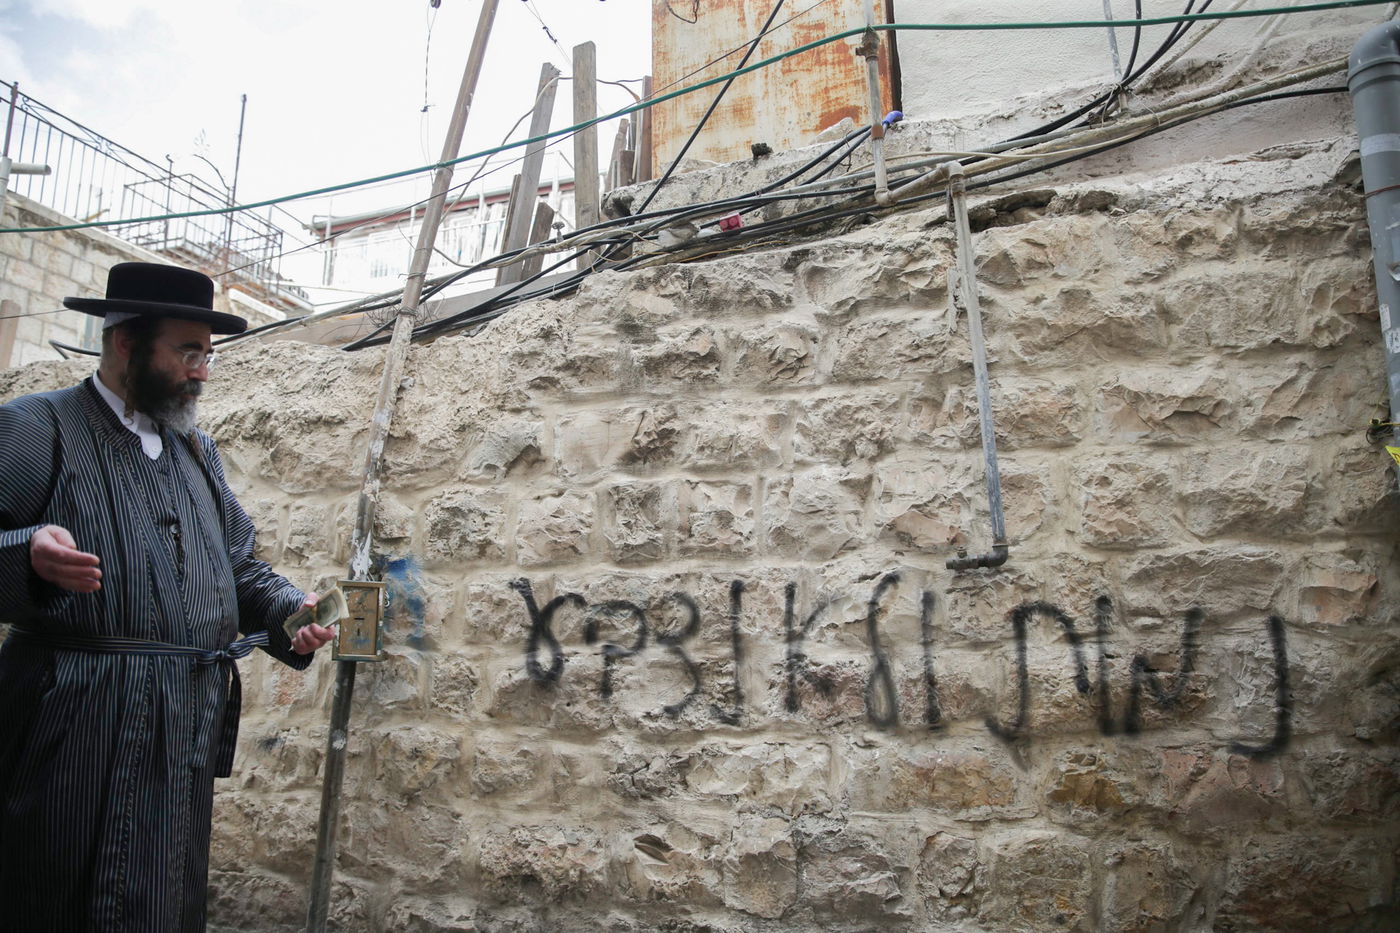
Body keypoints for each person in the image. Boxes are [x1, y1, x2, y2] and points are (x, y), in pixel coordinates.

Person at [0, 262, 336, 932]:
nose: (202, 370)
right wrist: (28, 552)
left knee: (157, 900)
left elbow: (237, 565)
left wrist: (285, 614)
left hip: (175, 728)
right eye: (187, 351)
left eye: (206, 354)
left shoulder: (196, 454)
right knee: (49, 893)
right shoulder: (40, 428)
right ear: (126, 341)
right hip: (68, 726)